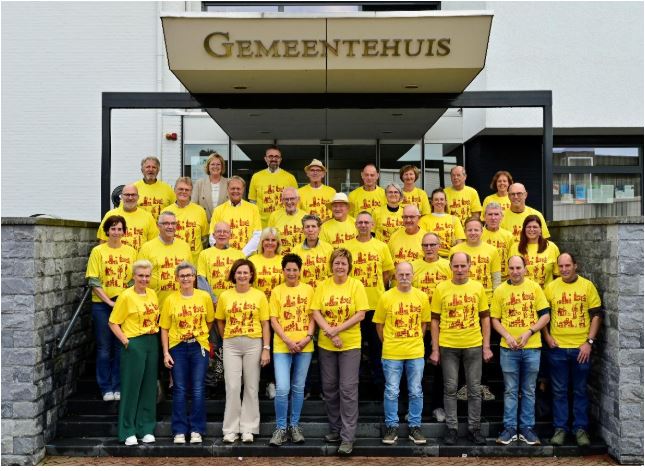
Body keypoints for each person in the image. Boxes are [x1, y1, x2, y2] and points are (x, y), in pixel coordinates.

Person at [429, 252, 493, 446]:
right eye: (455, 266)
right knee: (450, 388)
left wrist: (486, 346)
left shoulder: (477, 287)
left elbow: (485, 318)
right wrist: (435, 349)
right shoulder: (441, 288)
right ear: (450, 267)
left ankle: (474, 428)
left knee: (474, 389)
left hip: (473, 344)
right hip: (448, 345)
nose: (459, 270)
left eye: (463, 266)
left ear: (469, 265)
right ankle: (452, 428)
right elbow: (434, 320)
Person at [311, 248, 369, 456]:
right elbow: (315, 311)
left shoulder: (356, 285)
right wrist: (330, 332)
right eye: (337, 262)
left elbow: (360, 314)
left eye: (344, 263)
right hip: (327, 344)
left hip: (350, 345)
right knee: (329, 387)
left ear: (349, 266)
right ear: (331, 265)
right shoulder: (323, 285)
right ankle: (335, 429)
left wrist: (337, 330)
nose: (340, 266)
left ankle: (347, 437)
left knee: (347, 388)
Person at [543, 253, 603, 448]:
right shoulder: (551, 287)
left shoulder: (587, 286)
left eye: (567, 265)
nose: (564, 269)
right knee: (559, 391)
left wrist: (589, 342)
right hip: (558, 348)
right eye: (561, 266)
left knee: (580, 390)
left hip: (580, 349)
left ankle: (580, 429)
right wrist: (547, 337)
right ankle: (560, 429)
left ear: (575, 265)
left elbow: (596, 315)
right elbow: (543, 315)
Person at [490, 255, 551, 446]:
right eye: (512, 268)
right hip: (508, 349)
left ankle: (527, 428)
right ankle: (509, 428)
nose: (515, 272)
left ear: (525, 268)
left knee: (529, 390)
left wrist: (529, 332)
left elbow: (545, 316)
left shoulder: (535, 288)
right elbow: (494, 319)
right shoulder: (500, 290)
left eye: (518, 268)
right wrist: (507, 336)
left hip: (532, 348)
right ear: (507, 269)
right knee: (510, 390)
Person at [215, 259, 271, 444]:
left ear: (251, 275)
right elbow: (220, 320)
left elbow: (265, 323)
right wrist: (226, 338)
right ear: (234, 275)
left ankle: (249, 428)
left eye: (245, 272)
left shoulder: (259, 296)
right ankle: (230, 429)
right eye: (238, 272)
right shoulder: (225, 296)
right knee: (232, 386)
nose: (242, 276)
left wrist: (266, 348)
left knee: (251, 386)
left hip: (253, 343)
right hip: (231, 344)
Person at [374, 262, 431, 446]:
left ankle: (415, 426)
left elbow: (424, 324)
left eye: (407, 274)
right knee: (391, 391)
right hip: (392, 352)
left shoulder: (422, 297)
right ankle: (391, 427)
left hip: (415, 351)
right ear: (395, 276)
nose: (404, 277)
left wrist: (415, 340)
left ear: (413, 276)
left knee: (416, 391)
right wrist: (389, 342)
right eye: (401, 274)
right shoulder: (386, 297)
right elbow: (379, 325)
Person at [160, 262, 215, 445]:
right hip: (178, 347)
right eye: (182, 276)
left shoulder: (204, 297)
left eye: (189, 275)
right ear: (177, 278)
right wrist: (166, 352)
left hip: (198, 346)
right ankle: (179, 430)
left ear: (194, 277)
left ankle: (197, 429)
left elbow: (209, 321)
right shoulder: (170, 299)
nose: (185, 279)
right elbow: (164, 328)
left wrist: (200, 336)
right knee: (180, 389)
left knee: (198, 389)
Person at [108, 259, 160, 446]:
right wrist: (126, 342)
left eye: (147, 276)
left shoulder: (152, 294)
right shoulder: (126, 296)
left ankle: (146, 428)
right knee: (131, 387)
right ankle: (127, 429)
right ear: (133, 276)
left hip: (152, 341)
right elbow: (113, 322)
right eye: (140, 276)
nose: (144, 279)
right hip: (134, 342)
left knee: (149, 387)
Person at [86, 215, 136, 401]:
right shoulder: (98, 251)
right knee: (104, 347)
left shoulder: (131, 252)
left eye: (119, 229)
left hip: (123, 304)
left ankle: (118, 385)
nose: (116, 232)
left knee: (120, 346)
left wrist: (122, 301)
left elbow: (133, 280)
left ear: (124, 232)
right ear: (107, 231)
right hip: (102, 305)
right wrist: (109, 302)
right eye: (113, 228)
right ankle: (105, 387)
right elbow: (93, 281)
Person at [268, 254, 316, 446]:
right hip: (282, 346)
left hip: (305, 345)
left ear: (300, 270)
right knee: (282, 388)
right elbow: (274, 320)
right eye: (288, 269)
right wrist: (288, 340)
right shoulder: (277, 291)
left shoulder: (309, 290)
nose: (291, 273)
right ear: (283, 271)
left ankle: (294, 426)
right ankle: (281, 428)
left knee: (298, 387)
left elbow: (313, 316)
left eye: (295, 269)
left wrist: (307, 338)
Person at [345, 211, 395, 391]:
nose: (363, 225)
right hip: (354, 307)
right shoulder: (347, 247)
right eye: (360, 222)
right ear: (355, 225)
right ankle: (355, 386)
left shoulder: (381, 246)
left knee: (377, 347)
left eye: (367, 222)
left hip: (376, 305)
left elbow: (387, 274)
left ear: (373, 225)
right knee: (355, 349)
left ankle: (379, 385)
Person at [411, 232, 451, 422]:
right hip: (417, 324)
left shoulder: (447, 266)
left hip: (442, 324)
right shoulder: (413, 267)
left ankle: (438, 406)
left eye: (432, 245)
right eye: (425, 245)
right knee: (415, 368)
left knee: (439, 368)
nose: (429, 248)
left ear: (439, 245)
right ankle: (414, 407)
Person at [137, 211, 192, 308]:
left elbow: (191, 277)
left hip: (181, 306)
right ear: (158, 226)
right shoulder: (147, 248)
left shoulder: (185, 246)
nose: (170, 227)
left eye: (173, 223)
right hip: (155, 306)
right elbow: (139, 279)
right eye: (166, 223)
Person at [449, 217, 501, 302]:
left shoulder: (492, 250)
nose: (473, 233)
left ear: (482, 231)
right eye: (469, 230)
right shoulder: (455, 250)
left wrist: (496, 299)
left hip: (487, 298)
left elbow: (496, 278)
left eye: (476, 230)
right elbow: (451, 276)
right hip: (462, 297)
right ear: (465, 232)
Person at [209, 176, 262, 255]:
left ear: (243, 190)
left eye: (238, 188)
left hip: (247, 257)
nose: (235, 191)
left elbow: (257, 235)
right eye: (232, 188)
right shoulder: (218, 210)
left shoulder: (253, 209)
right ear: (227, 189)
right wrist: (224, 252)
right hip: (225, 256)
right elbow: (212, 236)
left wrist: (242, 254)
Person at [162, 177, 209, 264]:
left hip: (195, 262)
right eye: (180, 189)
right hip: (173, 260)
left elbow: (205, 237)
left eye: (187, 190)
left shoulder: (200, 211)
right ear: (174, 190)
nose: (183, 192)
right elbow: (162, 237)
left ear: (191, 192)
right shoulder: (165, 211)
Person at [97, 184, 158, 251]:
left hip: (140, 257)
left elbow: (153, 244)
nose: (130, 198)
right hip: (117, 256)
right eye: (127, 195)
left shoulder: (148, 217)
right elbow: (103, 241)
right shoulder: (110, 215)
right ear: (121, 197)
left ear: (138, 197)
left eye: (133, 195)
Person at [248, 146, 298, 228]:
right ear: (265, 159)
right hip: (261, 225)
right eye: (270, 156)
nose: (273, 159)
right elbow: (252, 202)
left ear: (280, 159)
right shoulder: (256, 177)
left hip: (284, 223)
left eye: (276, 156)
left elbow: (296, 202)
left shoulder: (290, 178)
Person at [197, 222, 244, 299]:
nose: (222, 234)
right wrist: (213, 300)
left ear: (230, 235)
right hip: (212, 301)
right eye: (219, 231)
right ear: (213, 235)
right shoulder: (204, 254)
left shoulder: (240, 255)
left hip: (234, 300)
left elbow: (244, 279)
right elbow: (201, 280)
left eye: (225, 232)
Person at [510, 215, 560, 288]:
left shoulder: (552, 247)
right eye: (529, 227)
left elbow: (558, 275)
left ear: (540, 230)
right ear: (524, 230)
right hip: (522, 292)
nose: (531, 229)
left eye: (535, 227)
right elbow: (510, 274)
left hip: (545, 293)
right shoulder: (515, 248)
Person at [420, 188, 465, 258]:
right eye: (436, 199)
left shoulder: (454, 219)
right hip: (431, 257)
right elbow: (421, 242)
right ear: (432, 202)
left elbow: (460, 242)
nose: (439, 202)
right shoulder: (423, 220)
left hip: (450, 257)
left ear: (446, 202)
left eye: (441, 199)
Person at [292, 214, 334, 289]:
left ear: (319, 229)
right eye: (307, 227)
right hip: (303, 292)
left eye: (313, 226)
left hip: (323, 290)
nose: (310, 230)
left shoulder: (328, 249)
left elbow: (332, 274)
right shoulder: (295, 251)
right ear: (303, 230)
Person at [132, 156, 176, 221]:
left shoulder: (167, 189)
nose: (151, 169)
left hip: (161, 227)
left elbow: (176, 209)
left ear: (158, 170)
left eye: (154, 167)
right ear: (142, 170)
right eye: (148, 167)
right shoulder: (133, 188)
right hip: (140, 226)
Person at [267, 187, 308, 254]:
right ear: (282, 200)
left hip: (300, 256)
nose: (289, 202)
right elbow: (269, 238)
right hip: (280, 256)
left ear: (298, 199)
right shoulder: (274, 216)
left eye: (292, 199)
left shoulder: (306, 217)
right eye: (286, 199)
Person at [249, 227, 284, 301]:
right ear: (262, 242)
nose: (270, 243)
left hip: (278, 302)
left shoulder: (284, 260)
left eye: (273, 240)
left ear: (277, 243)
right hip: (257, 302)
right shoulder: (251, 260)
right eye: (267, 240)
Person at [191, 153, 229, 221]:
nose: (215, 166)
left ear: (222, 167)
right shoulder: (199, 184)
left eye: (218, 164)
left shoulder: (229, 183)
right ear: (208, 167)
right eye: (212, 164)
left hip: (224, 224)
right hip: (205, 223)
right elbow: (193, 206)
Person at [482, 202, 514, 281]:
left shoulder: (508, 236)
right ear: (484, 217)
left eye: (496, 214)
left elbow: (512, 259)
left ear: (501, 217)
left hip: (505, 279)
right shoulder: (478, 235)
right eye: (490, 214)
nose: (493, 218)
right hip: (485, 278)